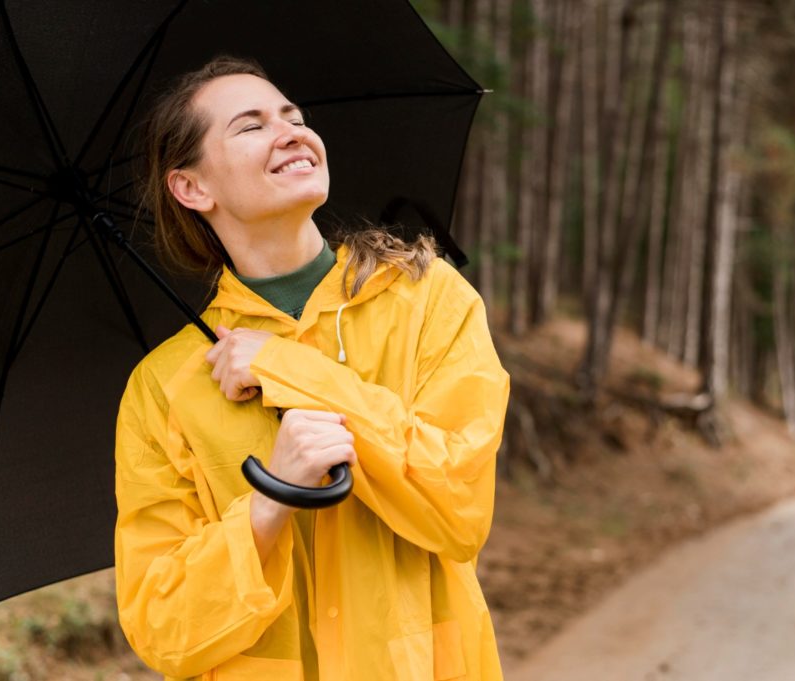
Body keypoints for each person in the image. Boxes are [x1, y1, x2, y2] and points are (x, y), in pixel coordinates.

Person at [113, 56, 509, 681]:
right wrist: (270, 503)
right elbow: (163, 631)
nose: (291, 131)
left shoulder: (430, 300)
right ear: (192, 188)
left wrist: (287, 368)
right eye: (251, 126)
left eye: (293, 117)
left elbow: (457, 509)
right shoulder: (165, 387)